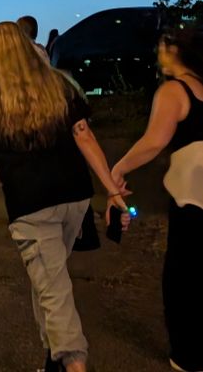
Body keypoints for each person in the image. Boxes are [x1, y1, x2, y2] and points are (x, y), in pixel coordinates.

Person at [0, 21, 129, 372]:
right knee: (48, 281)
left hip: (31, 205)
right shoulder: (59, 84)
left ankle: (74, 362)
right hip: (74, 200)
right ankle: (53, 362)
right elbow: (84, 136)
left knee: (54, 290)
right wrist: (111, 189)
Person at [110, 25, 203, 372]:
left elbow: (154, 141)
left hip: (192, 199)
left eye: (162, 48)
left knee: (184, 277)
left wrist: (118, 169)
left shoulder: (173, 91)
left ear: (175, 51)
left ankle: (188, 357)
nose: (157, 54)